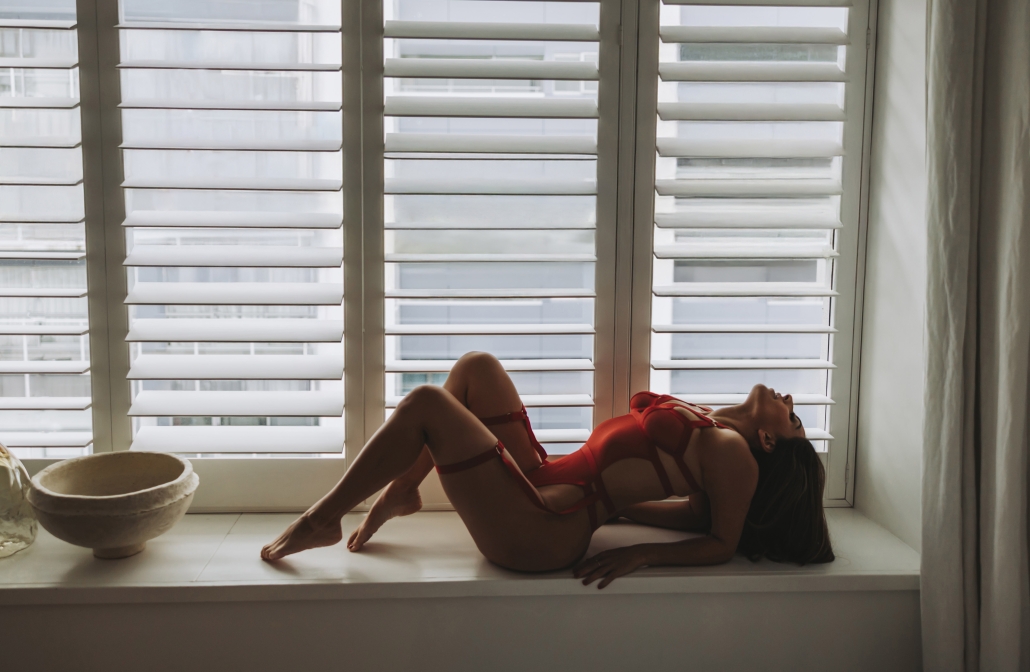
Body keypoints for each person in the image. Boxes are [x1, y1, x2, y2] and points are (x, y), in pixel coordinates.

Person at [261, 352, 834, 586]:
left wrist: (641, 553)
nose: (789, 400)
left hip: (544, 529)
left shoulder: (734, 454)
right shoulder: (713, 428)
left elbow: (720, 541)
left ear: (768, 440)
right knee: (477, 368)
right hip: (544, 479)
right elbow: (693, 515)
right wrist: (628, 509)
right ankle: (404, 489)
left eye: (793, 417)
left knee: (427, 404)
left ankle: (322, 519)